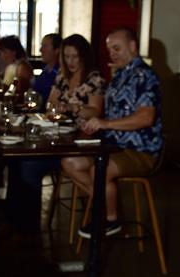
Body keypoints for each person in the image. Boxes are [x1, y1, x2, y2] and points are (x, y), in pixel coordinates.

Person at [62, 27, 163, 238]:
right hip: (113, 145)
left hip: (139, 149)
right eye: (110, 50)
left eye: (117, 48)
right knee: (70, 162)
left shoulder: (145, 75)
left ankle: (111, 218)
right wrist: (93, 124)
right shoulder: (120, 76)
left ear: (133, 47)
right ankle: (105, 203)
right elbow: (110, 116)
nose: (112, 53)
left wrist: (105, 124)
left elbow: (146, 118)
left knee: (99, 170)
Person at [7, 34, 104, 233]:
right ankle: (13, 218)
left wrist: (73, 108)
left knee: (29, 166)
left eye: (75, 57)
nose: (71, 62)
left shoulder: (95, 79)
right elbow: (50, 104)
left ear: (84, 56)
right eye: (67, 57)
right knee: (15, 161)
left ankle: (28, 227)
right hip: (57, 137)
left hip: (80, 140)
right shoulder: (62, 76)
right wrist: (53, 108)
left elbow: (95, 111)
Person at [32, 33, 62, 109]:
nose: (40, 50)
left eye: (45, 46)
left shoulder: (61, 74)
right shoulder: (46, 70)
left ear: (57, 50)